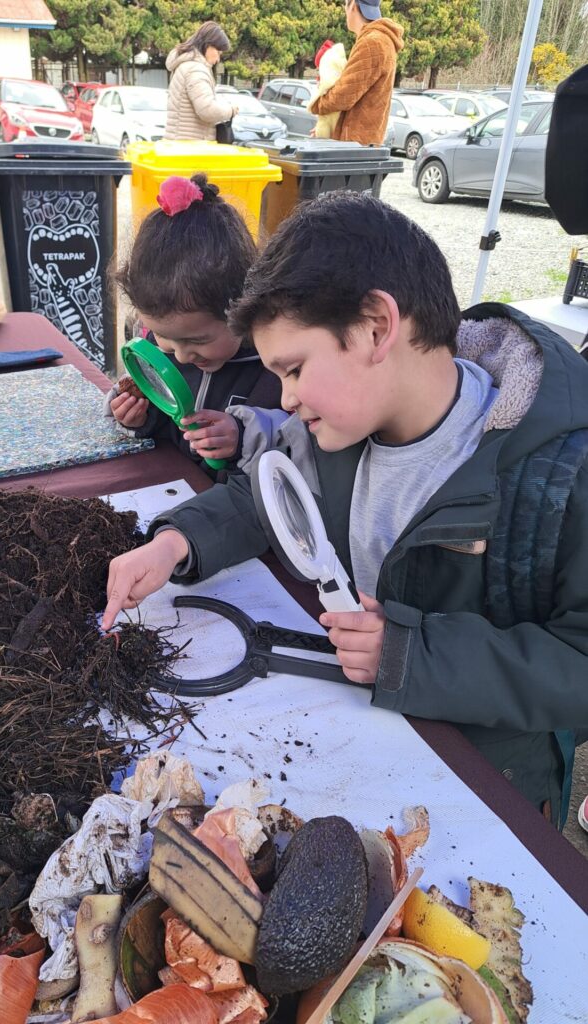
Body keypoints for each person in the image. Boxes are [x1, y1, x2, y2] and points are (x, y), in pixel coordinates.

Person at [103, 191, 588, 827]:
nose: (285, 398)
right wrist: (176, 544)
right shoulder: (336, 428)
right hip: (363, 746)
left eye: (295, 369)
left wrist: (413, 656)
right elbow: (265, 496)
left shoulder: (558, 475)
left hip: (489, 786)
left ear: (375, 327)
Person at [107, 173, 282, 477]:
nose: (182, 355)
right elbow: (163, 422)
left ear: (244, 307)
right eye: (164, 336)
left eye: (198, 341)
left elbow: (297, 440)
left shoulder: (273, 367)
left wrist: (243, 436)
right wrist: (136, 419)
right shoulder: (154, 352)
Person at [309, 0, 404, 146]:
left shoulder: (371, 42)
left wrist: (316, 105)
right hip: (362, 144)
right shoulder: (380, 40)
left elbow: (343, 96)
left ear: (352, 4)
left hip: (354, 146)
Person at [164, 21, 238, 141]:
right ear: (208, 46)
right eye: (218, 52)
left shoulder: (187, 66)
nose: (218, 59)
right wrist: (231, 110)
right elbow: (207, 110)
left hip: (180, 145)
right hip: (191, 149)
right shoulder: (196, 70)